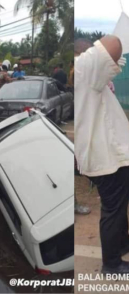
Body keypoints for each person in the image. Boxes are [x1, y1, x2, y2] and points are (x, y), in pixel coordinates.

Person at [75, 35, 129, 274]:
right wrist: (98, 45)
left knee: (118, 207)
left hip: (111, 155)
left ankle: (121, 244)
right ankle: (111, 264)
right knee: (113, 209)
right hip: (107, 159)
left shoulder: (87, 76)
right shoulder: (85, 68)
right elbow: (114, 43)